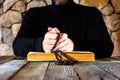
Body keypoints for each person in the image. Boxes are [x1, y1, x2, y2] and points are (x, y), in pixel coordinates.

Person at [13, 0, 114, 59]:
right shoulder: (34, 14)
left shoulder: (91, 13)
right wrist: (41, 44)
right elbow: (17, 46)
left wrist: (74, 45)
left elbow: (106, 47)